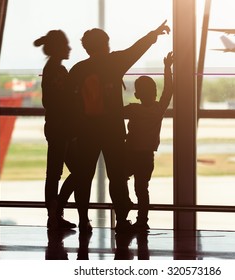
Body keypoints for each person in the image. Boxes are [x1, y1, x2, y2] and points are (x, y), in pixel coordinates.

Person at [68, 21, 170, 234]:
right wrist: (154, 33)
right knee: (117, 177)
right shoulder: (113, 63)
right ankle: (122, 220)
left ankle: (83, 220)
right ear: (105, 44)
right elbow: (137, 49)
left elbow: (71, 104)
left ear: (86, 48)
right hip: (112, 131)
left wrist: (74, 133)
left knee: (84, 176)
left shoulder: (78, 70)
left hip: (86, 131)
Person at [124, 52, 173, 232]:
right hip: (146, 156)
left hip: (129, 153)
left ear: (137, 95)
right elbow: (169, 90)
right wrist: (167, 68)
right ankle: (142, 221)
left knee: (120, 178)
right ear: (155, 93)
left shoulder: (133, 110)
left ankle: (125, 205)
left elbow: (114, 113)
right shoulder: (158, 109)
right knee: (142, 189)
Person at [34, 30, 78, 229]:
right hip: (62, 129)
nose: (69, 48)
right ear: (59, 48)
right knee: (75, 171)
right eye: (66, 45)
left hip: (55, 127)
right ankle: (56, 210)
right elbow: (65, 101)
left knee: (54, 173)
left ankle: (55, 212)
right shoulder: (58, 71)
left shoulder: (52, 69)